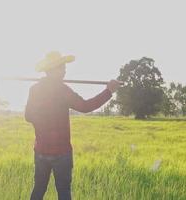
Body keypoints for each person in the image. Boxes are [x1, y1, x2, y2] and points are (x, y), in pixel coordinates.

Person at [25, 51, 120, 200]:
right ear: (52, 69)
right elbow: (85, 106)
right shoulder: (63, 90)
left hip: (41, 151)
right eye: (61, 67)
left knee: (38, 190)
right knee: (63, 192)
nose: (65, 70)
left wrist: (43, 118)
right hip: (61, 153)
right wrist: (108, 91)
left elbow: (28, 116)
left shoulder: (35, 89)